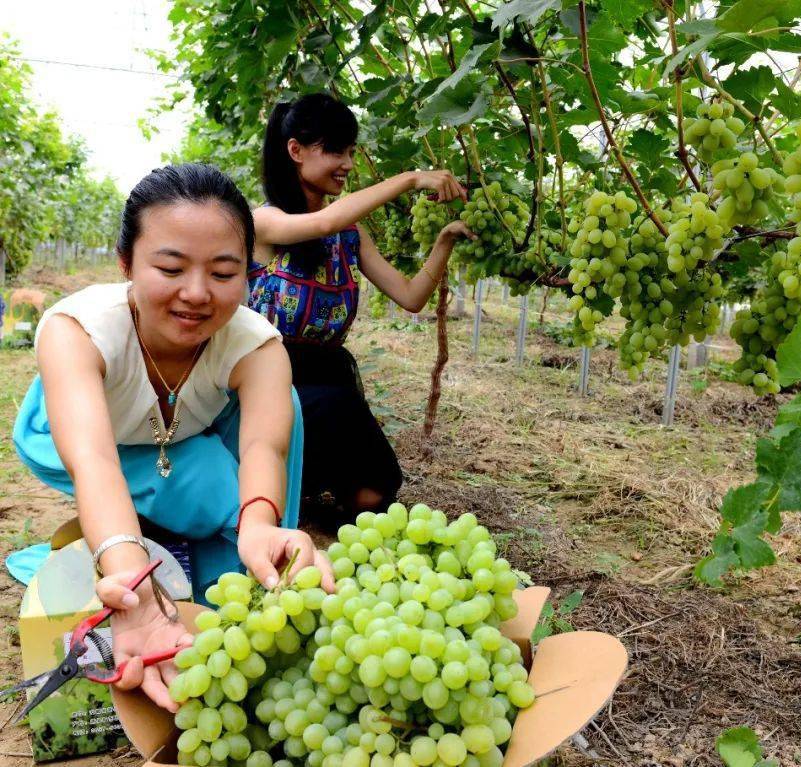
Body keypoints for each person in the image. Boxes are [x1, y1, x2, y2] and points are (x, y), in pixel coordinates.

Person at [12, 163, 334, 711]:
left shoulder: (256, 345)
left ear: (248, 274)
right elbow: (93, 459)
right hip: (82, 440)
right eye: (171, 266)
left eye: (224, 272)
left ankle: (242, 544)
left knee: (282, 420)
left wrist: (257, 523)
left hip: (176, 434)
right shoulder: (77, 329)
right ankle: (130, 543)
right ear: (126, 265)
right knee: (205, 493)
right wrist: (130, 582)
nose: (197, 293)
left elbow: (263, 447)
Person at [249, 93, 473, 520]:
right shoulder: (266, 222)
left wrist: (444, 241)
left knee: (376, 492)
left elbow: (410, 297)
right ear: (295, 150)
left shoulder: (349, 234)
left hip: (329, 382)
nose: (348, 164)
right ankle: (282, 489)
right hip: (267, 381)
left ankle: (302, 491)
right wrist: (410, 179)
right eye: (336, 150)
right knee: (324, 433)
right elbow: (321, 222)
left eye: (351, 151)